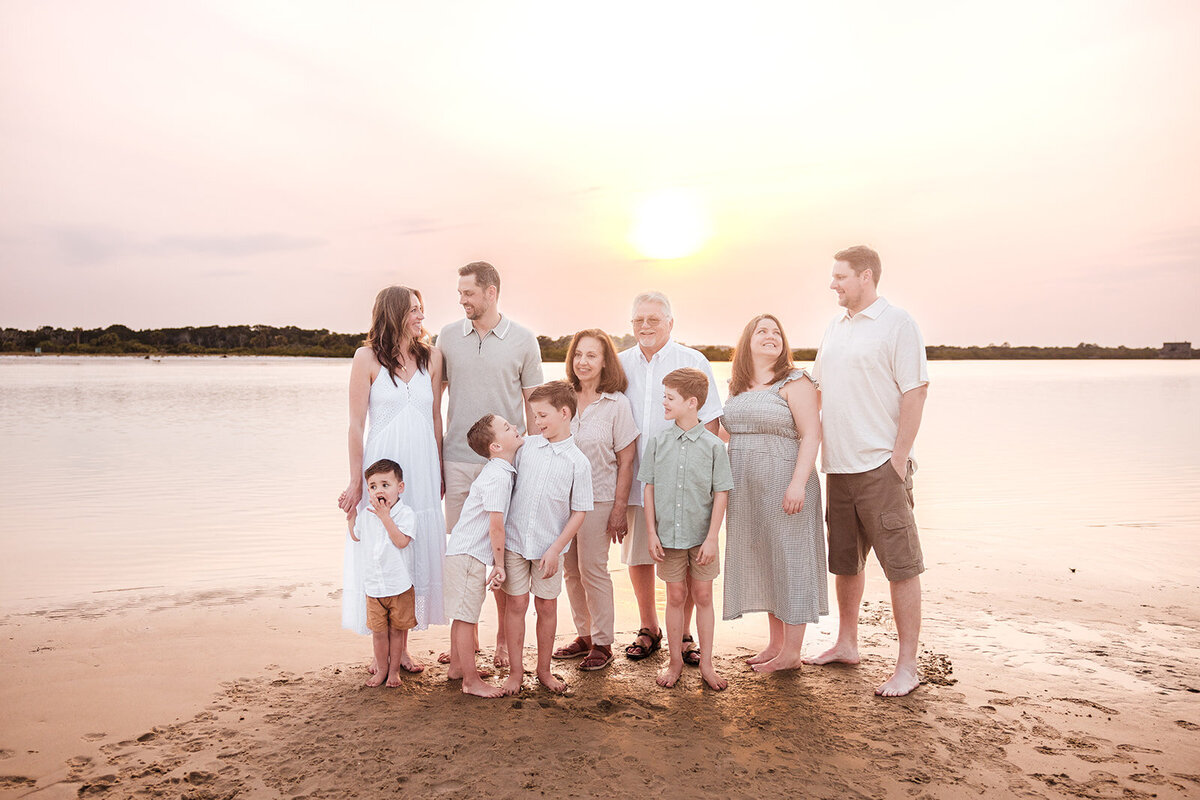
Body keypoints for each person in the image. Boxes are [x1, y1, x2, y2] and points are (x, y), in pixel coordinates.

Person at [803, 245, 930, 697]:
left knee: (902, 566)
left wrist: (898, 458)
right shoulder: (835, 327)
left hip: (881, 467)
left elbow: (915, 392)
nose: (833, 284)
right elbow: (813, 390)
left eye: (840, 276)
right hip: (837, 468)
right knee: (846, 564)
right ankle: (846, 643)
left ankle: (907, 667)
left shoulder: (898, 323)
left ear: (866, 276)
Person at [439, 261, 544, 667]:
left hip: (506, 466)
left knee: (506, 550)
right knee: (464, 552)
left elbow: (535, 410)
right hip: (458, 461)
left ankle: (503, 639)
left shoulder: (524, 340)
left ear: (491, 292)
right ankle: (467, 638)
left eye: (468, 292)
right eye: (460, 293)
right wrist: (437, 457)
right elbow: (435, 401)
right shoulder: (447, 337)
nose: (462, 299)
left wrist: (534, 464)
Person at [338, 286, 446, 674]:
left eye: (422, 309)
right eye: (414, 310)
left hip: (421, 465)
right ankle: (379, 653)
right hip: (381, 466)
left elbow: (436, 419)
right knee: (380, 548)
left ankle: (402, 648)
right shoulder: (366, 357)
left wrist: (441, 470)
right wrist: (355, 481)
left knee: (412, 544)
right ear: (395, 313)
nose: (421, 316)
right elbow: (355, 424)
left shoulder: (432, 357)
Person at [618, 291, 723, 666]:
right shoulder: (619, 364)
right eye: (638, 320)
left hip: (687, 481)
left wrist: (707, 478)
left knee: (688, 554)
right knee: (641, 553)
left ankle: (684, 632)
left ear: (670, 323)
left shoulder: (691, 361)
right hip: (636, 478)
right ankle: (649, 627)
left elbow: (711, 420)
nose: (645, 326)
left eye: (653, 319)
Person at [721, 314, 827, 673]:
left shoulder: (796, 380)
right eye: (762, 331)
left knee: (790, 561)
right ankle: (776, 644)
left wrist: (797, 482)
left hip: (786, 482)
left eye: (776, 332)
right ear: (747, 341)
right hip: (746, 486)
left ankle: (792, 653)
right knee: (766, 560)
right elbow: (726, 434)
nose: (771, 336)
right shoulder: (738, 385)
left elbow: (811, 434)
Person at [551, 329, 639, 672]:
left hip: (600, 499)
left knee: (593, 570)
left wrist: (619, 508)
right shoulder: (562, 397)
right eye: (578, 355)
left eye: (591, 355)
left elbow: (627, 460)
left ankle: (603, 642)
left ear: (605, 362)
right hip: (561, 501)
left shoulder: (617, 403)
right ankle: (584, 636)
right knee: (570, 571)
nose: (583, 361)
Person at [639, 368, 732, 691]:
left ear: (692, 403)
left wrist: (711, 539)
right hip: (668, 537)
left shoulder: (713, 446)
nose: (663, 402)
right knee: (675, 595)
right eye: (663, 396)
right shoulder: (658, 442)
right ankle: (675, 661)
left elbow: (721, 493)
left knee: (703, 594)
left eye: (670, 398)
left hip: (702, 538)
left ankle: (706, 663)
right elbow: (648, 488)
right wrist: (651, 532)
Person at [501, 381, 594, 695]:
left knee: (547, 607)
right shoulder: (526, 447)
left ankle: (543, 670)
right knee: (515, 604)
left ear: (564, 413)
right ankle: (516, 672)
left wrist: (556, 548)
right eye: (534, 415)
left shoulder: (577, 463)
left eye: (542, 415)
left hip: (549, 550)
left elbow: (579, 512)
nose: (537, 421)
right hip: (514, 543)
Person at [442, 414, 524, 698]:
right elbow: (496, 525)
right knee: (466, 618)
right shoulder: (498, 476)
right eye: (506, 428)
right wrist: (499, 565)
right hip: (468, 556)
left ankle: (456, 667)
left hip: (462, 553)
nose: (515, 427)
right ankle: (470, 680)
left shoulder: (498, 471)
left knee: (462, 615)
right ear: (496, 447)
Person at [346, 459, 419, 688]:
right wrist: (350, 514)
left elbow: (401, 541)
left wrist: (385, 516)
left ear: (400, 488)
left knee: (397, 632)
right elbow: (356, 535)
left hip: (399, 586)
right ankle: (382, 669)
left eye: (385, 484)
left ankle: (394, 671)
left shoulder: (405, 514)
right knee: (378, 633)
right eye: (373, 486)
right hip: (374, 586)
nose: (379, 490)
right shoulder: (367, 514)